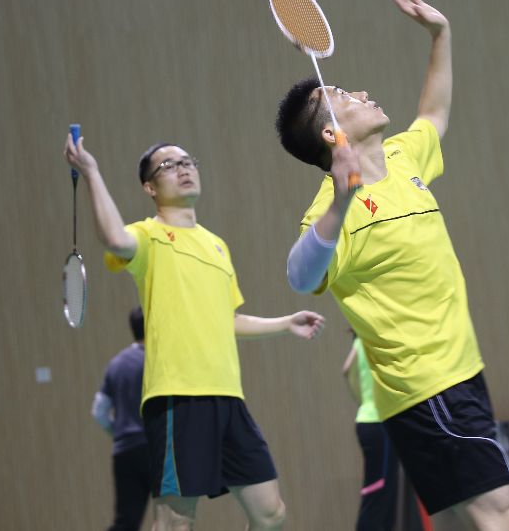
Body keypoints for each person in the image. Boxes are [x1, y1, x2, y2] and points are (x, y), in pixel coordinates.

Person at [275, 0, 509, 531]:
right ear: (330, 132)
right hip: (427, 384)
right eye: (345, 94)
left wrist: (441, 35)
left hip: (459, 371)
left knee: (464, 523)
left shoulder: (402, 157)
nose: (363, 92)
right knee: (503, 518)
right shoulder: (332, 211)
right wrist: (340, 204)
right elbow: (300, 276)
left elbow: (433, 113)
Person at [65, 136, 325, 531]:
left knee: (271, 514)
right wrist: (91, 172)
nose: (183, 168)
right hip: (177, 396)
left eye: (188, 161)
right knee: (174, 521)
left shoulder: (216, 246)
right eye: (168, 165)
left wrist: (284, 323)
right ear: (150, 187)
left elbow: (228, 319)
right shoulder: (147, 236)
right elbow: (115, 238)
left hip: (228, 396)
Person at [91, 306, 151, 531]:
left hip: (124, 451)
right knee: (172, 516)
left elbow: (99, 411)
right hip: (156, 449)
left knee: (126, 521)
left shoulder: (116, 364)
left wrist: (118, 433)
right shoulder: (157, 360)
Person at [342, 334, 401, 531]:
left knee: (386, 493)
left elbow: (347, 369)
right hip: (379, 422)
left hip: (372, 422)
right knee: (378, 492)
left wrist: (363, 402)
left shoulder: (361, 339)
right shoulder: (379, 338)